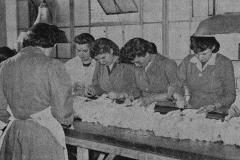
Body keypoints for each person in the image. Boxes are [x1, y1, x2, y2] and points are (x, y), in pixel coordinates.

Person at [0, 23, 74, 160]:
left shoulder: (5, 65)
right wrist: (67, 120)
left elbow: (1, 108)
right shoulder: (52, 65)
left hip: (13, 134)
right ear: (52, 44)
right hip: (42, 136)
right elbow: (63, 112)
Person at [178, 35, 236, 114]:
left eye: (204, 54)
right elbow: (176, 83)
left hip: (217, 112)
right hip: (193, 109)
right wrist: (179, 98)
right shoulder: (188, 61)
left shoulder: (224, 63)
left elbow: (230, 95)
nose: (200, 57)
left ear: (212, 47)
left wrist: (214, 106)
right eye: (196, 53)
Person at [120, 38, 184, 108]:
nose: (136, 65)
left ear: (147, 53)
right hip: (144, 109)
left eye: (138, 62)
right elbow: (135, 89)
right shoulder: (137, 66)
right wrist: (130, 97)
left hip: (166, 109)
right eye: (134, 63)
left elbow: (177, 92)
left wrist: (151, 99)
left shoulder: (167, 64)